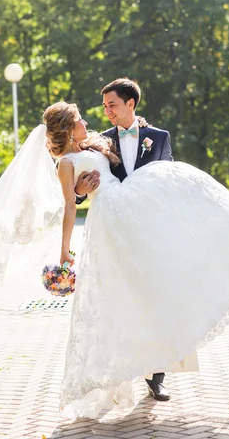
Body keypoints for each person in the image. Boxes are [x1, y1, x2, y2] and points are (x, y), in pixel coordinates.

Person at [0, 100, 229, 422]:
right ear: (67, 128)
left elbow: (115, 151)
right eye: (78, 119)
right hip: (108, 219)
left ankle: (156, 363)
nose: (86, 121)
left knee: (156, 276)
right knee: (120, 293)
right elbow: (70, 206)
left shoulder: (96, 141)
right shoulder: (64, 163)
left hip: (128, 207)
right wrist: (65, 249)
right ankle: (122, 370)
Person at [74, 78, 175, 402]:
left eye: (112, 105)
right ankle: (120, 370)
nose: (107, 111)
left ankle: (156, 377)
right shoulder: (97, 141)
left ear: (131, 104)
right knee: (121, 301)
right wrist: (80, 191)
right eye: (104, 106)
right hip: (114, 236)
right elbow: (76, 188)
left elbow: (169, 181)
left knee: (157, 301)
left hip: (151, 233)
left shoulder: (159, 138)